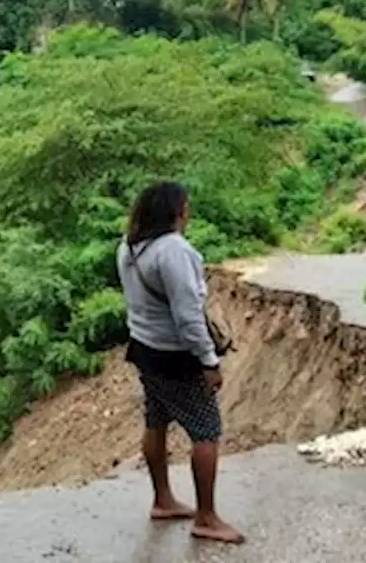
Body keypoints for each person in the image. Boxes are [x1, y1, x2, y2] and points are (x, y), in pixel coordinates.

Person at [116, 181, 244, 545]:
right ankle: (206, 517)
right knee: (206, 432)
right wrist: (208, 361)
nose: (188, 213)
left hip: (144, 347)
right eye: (185, 207)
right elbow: (188, 315)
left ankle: (163, 499)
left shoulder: (129, 247)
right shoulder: (173, 251)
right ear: (174, 211)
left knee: (155, 420)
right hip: (175, 356)